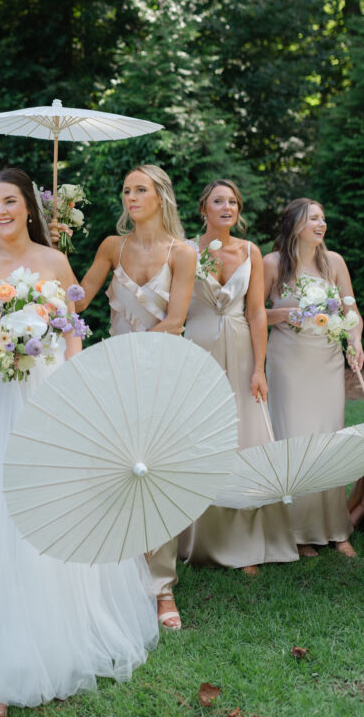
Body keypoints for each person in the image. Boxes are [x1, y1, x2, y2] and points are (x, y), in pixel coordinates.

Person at [0, 168, 158, 717]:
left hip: (44, 389)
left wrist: (70, 381)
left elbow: (72, 328)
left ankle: (62, 643)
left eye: (8, 201)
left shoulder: (54, 263)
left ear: (28, 206)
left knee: (49, 506)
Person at [77, 165, 196, 631]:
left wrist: (133, 352)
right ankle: (118, 573)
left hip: (160, 370)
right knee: (115, 469)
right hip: (112, 374)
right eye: (126, 190)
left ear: (160, 195)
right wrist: (55, 255)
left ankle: (161, 586)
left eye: (139, 190)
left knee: (155, 471)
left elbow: (176, 320)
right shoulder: (112, 245)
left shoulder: (183, 253)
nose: (130, 197)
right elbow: (81, 298)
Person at [178, 180, 298, 573]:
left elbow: (257, 312)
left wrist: (259, 367)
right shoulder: (184, 250)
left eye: (232, 201)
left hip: (242, 351)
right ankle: (200, 539)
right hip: (198, 352)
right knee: (203, 438)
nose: (227, 207)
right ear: (204, 209)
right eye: (218, 201)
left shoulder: (250, 251)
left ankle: (247, 543)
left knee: (247, 440)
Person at [264, 198, 363, 558]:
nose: (321, 224)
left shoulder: (333, 261)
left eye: (323, 217)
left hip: (326, 361)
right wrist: (285, 313)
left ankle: (336, 530)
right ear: (294, 224)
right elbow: (255, 314)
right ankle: (298, 532)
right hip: (289, 360)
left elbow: (351, 309)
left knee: (329, 439)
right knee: (295, 440)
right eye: (313, 218)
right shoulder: (272, 263)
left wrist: (355, 337)